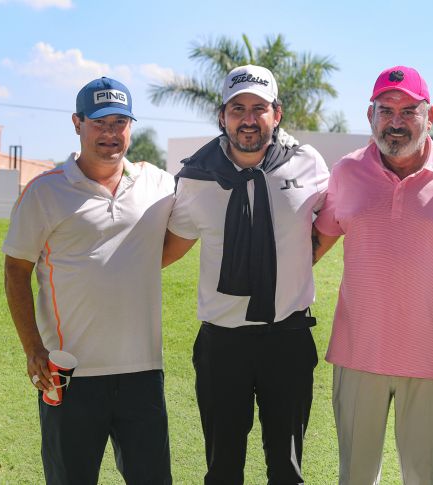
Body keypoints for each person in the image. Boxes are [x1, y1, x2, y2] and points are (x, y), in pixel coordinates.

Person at [312, 65, 433, 485]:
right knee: (354, 476)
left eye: (409, 110)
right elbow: (313, 248)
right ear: (369, 114)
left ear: (431, 115)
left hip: (428, 358)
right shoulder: (346, 172)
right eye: (386, 109)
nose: (396, 121)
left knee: (424, 477)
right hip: (358, 355)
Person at [162, 64, 330, 484]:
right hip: (223, 344)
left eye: (259, 108)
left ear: (277, 112)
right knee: (222, 468)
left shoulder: (308, 165)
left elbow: (332, 225)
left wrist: (288, 265)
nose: (248, 119)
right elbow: (169, 248)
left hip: (287, 339)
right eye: (238, 108)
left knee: (287, 469)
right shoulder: (196, 178)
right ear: (223, 116)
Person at [2, 77, 174, 484]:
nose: (110, 133)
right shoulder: (45, 191)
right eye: (99, 122)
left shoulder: (159, 183)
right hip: (69, 373)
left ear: (131, 126)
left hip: (142, 372)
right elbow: (15, 271)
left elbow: (182, 234)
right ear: (77, 123)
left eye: (120, 122)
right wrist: (33, 349)